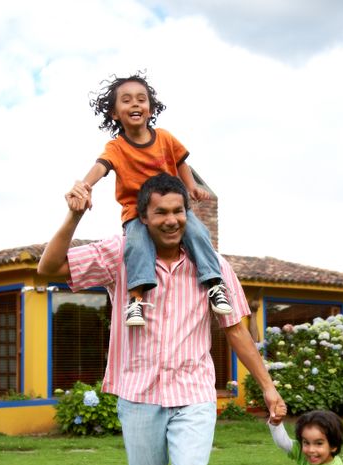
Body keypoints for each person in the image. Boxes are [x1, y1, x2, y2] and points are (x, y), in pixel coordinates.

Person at [38, 173, 286, 465]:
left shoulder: (212, 265)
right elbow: (49, 269)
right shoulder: (120, 255)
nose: (172, 220)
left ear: (187, 215)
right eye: (161, 213)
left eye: (179, 212)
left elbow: (236, 330)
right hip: (139, 394)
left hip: (194, 395)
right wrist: (74, 213)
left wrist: (268, 387)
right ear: (144, 218)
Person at [67, 72, 232, 327]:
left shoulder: (165, 137)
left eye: (141, 99)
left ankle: (214, 284)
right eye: (126, 100)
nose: (135, 104)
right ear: (114, 112)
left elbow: (181, 162)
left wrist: (191, 188)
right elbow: (101, 166)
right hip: (136, 212)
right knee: (137, 246)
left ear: (150, 108)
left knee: (198, 233)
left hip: (170, 209)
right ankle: (135, 301)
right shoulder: (117, 147)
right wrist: (85, 186)